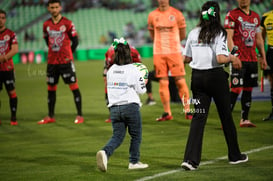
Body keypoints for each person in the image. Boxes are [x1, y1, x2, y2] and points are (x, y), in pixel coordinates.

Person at [181, 1, 248, 171]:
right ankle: (235, 156)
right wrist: (232, 58)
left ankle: (190, 160)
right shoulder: (220, 32)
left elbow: (186, 59)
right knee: (225, 116)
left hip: (197, 79)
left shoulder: (193, 32)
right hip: (215, 78)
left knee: (198, 117)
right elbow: (220, 59)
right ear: (216, 14)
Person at [96, 38, 148, 172]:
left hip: (114, 109)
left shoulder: (111, 70)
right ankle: (134, 162)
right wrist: (144, 80)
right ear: (129, 54)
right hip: (130, 106)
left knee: (117, 136)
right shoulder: (133, 69)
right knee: (136, 136)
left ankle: (105, 153)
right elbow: (141, 90)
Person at [38, 0, 83, 124]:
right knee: (51, 89)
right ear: (48, 8)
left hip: (66, 62)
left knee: (74, 87)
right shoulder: (46, 24)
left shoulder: (68, 23)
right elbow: (47, 40)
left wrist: (69, 53)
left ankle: (80, 115)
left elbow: (76, 41)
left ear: (60, 8)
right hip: (52, 62)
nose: (54, 9)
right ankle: (50, 116)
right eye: (52, 7)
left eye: (56, 7)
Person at [224, 0, 267, 127]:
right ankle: (226, 120)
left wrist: (263, 57)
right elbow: (229, 38)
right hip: (239, 59)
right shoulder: (231, 15)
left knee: (248, 89)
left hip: (252, 59)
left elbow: (259, 39)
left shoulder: (255, 17)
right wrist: (234, 56)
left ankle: (244, 119)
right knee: (236, 89)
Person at [147, 0, 192, 121]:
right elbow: (152, 35)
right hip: (159, 53)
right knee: (163, 82)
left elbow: (182, 34)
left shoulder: (177, 14)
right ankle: (167, 113)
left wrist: (172, 43)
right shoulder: (152, 15)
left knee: (180, 81)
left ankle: (187, 110)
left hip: (174, 52)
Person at [103, 41, 142, 123]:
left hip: (129, 70)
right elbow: (106, 68)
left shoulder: (134, 52)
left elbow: (139, 66)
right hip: (115, 72)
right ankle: (113, 114)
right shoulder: (109, 54)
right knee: (109, 90)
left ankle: (132, 112)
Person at [0, 9, 19, 126]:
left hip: (7, 69)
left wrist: (4, 58)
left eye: (2, 18)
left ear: (5, 19)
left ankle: (13, 117)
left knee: (11, 93)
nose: (0, 20)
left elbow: (15, 49)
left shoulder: (11, 34)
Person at [261, 9, 273, 121]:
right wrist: (261, 56)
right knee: (272, 82)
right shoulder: (266, 17)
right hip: (271, 52)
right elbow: (261, 37)